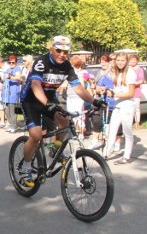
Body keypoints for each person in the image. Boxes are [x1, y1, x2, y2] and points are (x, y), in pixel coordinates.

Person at [18, 36, 103, 185]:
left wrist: (94, 101)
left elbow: (77, 87)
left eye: (65, 52)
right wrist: (47, 103)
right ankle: (25, 167)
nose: (62, 54)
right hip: (31, 101)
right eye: (58, 50)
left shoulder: (67, 66)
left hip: (48, 100)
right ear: (52, 49)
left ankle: (54, 150)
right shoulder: (41, 62)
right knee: (36, 135)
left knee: (65, 122)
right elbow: (36, 85)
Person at [103, 52, 137, 165]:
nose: (120, 62)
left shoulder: (130, 73)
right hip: (117, 105)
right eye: (118, 60)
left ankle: (127, 156)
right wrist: (110, 92)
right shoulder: (117, 73)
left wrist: (115, 94)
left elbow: (131, 93)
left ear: (126, 61)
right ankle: (106, 153)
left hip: (127, 105)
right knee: (112, 129)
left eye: (122, 60)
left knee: (127, 131)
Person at [0, 55, 23, 133]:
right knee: (6, 110)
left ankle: (14, 126)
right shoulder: (7, 70)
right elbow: (5, 80)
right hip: (5, 92)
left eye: (13, 62)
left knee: (12, 110)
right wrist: (1, 80)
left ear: (16, 62)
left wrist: (10, 77)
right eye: (10, 62)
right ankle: (11, 124)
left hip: (13, 92)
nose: (11, 64)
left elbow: (19, 78)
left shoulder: (17, 69)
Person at [128, 54, 145, 129]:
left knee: (136, 107)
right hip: (128, 91)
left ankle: (137, 122)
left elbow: (141, 80)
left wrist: (133, 84)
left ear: (137, 61)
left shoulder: (140, 69)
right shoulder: (127, 69)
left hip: (136, 91)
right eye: (131, 60)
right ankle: (129, 122)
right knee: (129, 107)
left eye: (134, 60)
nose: (132, 61)